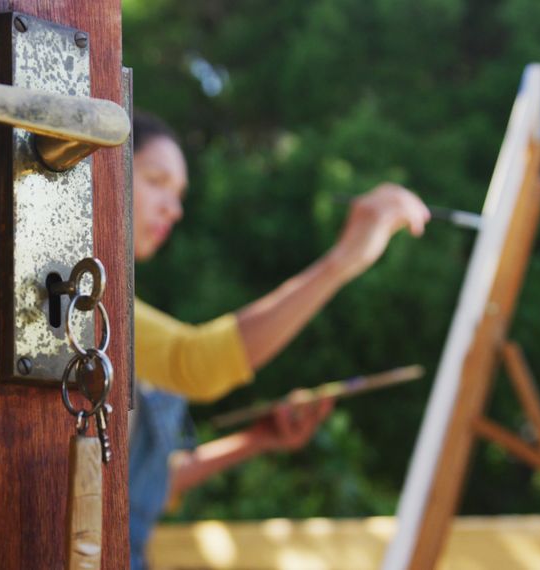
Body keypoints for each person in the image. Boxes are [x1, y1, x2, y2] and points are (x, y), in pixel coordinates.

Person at [128, 111, 430, 569]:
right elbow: (194, 362)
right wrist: (342, 262)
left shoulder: (127, 309)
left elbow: (145, 484)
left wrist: (257, 438)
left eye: (180, 194)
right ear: (103, 168)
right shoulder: (90, 301)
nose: (175, 208)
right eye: (156, 181)